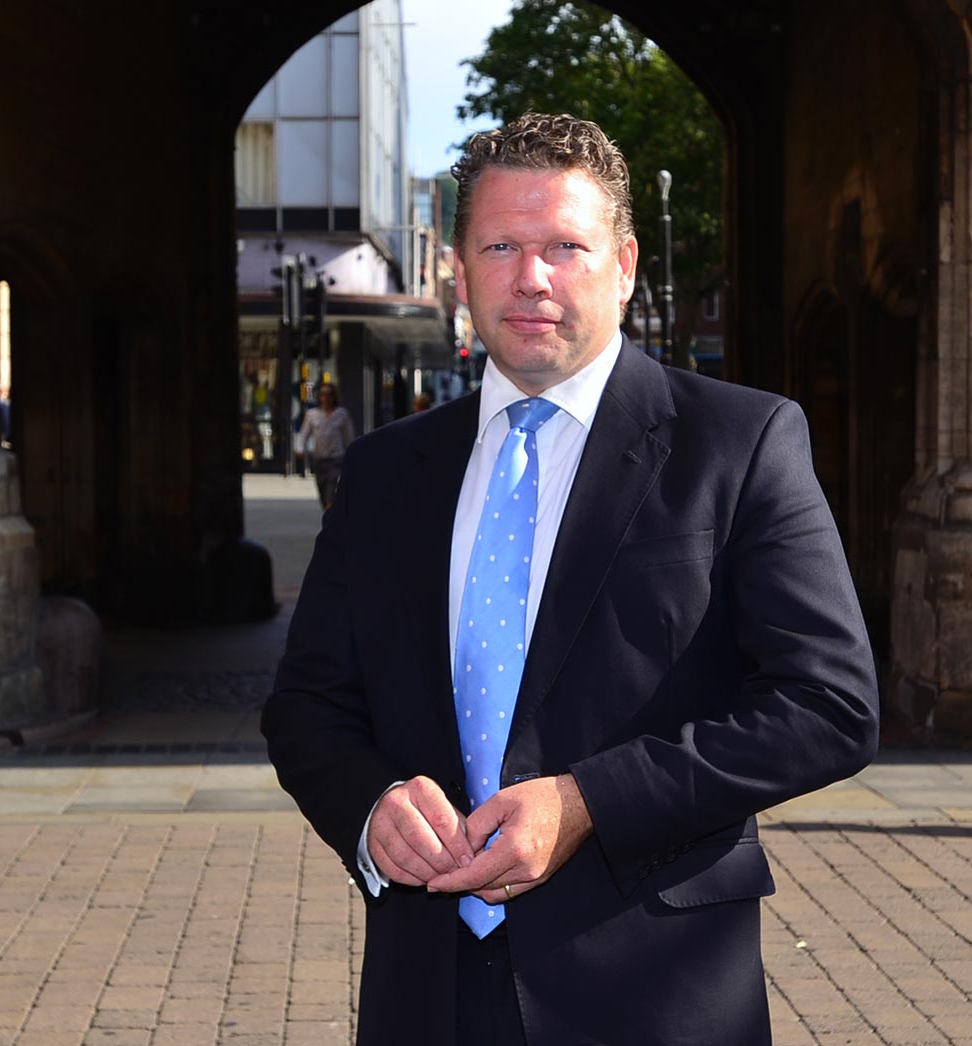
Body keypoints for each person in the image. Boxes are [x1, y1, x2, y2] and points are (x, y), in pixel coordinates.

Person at [263, 112, 878, 1046]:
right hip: (427, 991)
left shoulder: (739, 443)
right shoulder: (387, 472)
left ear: (625, 265)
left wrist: (590, 802)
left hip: (654, 989)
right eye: (502, 245)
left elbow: (828, 704)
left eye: (565, 246)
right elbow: (307, 702)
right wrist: (368, 803)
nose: (532, 278)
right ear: (461, 268)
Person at [299, 382, 355, 510]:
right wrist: (301, 448)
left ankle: (330, 521)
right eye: (323, 394)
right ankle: (329, 516)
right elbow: (304, 434)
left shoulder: (342, 414)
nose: (326, 397)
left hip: (336, 459)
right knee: (323, 494)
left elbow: (349, 437)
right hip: (319, 459)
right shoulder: (312, 414)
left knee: (331, 493)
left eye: (329, 394)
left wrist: (352, 456)